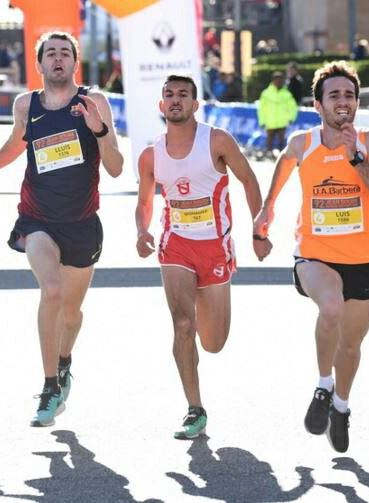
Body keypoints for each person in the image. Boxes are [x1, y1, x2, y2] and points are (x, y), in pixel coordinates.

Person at [0, 32, 123, 427]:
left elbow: (116, 168)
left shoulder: (94, 102)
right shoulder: (26, 105)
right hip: (37, 218)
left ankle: (64, 362)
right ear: (39, 63)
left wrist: (99, 130)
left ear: (75, 62)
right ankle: (49, 386)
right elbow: (16, 143)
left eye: (65, 53)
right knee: (51, 291)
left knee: (70, 314)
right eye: (50, 53)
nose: (58, 59)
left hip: (82, 224)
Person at [254, 61, 369, 453]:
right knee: (330, 306)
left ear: (357, 102)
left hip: (364, 258)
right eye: (334, 95)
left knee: (350, 346)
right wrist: (267, 210)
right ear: (318, 105)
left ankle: (341, 407)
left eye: (349, 95)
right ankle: (323, 385)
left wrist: (356, 159)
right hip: (315, 254)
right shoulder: (303, 143)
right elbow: (284, 163)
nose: (342, 101)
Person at [135, 75, 272, 439]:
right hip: (175, 245)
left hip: (214, 247)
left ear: (195, 104)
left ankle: (204, 312)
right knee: (183, 324)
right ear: (161, 105)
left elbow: (249, 179)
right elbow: (144, 203)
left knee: (213, 342)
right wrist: (142, 230)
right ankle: (194, 408)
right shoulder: (151, 155)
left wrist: (259, 231)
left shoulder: (216, 141)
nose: (175, 100)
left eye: (183, 94)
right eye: (169, 95)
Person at [257, 71, 298, 158]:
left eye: (280, 80)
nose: (279, 82)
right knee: (269, 140)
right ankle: (269, 154)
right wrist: (262, 121)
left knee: (281, 141)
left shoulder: (287, 94)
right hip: (270, 121)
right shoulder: (266, 93)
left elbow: (293, 107)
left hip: (282, 122)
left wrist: (291, 118)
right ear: (273, 81)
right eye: (277, 80)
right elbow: (261, 108)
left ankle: (281, 156)